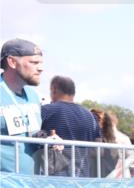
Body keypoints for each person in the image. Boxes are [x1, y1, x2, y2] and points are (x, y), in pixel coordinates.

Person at [39, 75, 99, 176]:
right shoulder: (91, 117)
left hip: (53, 179)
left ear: (54, 89)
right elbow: (97, 149)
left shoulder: (46, 111)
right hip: (82, 178)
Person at [0, 38, 44, 173]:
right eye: (34, 62)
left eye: (41, 63)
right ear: (12, 62)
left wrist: (48, 141)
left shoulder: (34, 95)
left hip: (29, 185)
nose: (41, 68)